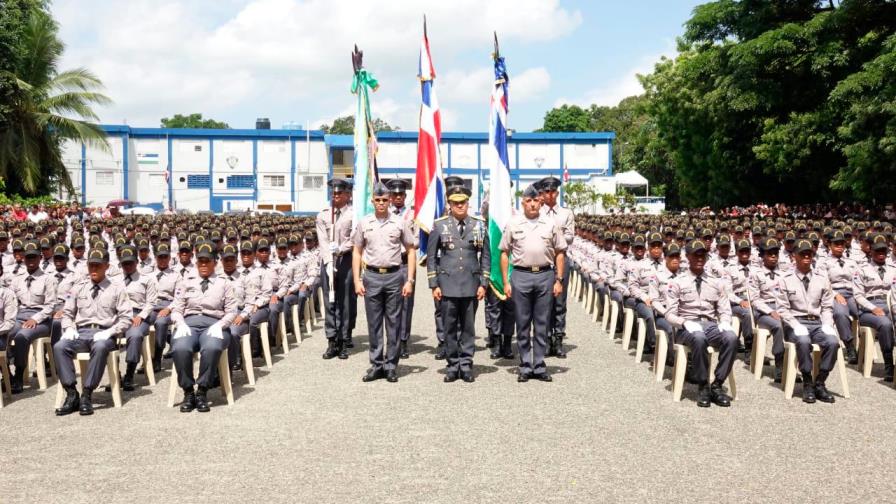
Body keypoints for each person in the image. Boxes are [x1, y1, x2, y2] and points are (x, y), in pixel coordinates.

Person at [499, 184, 567, 383]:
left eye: (536, 200)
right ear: (523, 203)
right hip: (521, 275)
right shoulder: (513, 223)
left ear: (541, 202)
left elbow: (560, 252)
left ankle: (539, 364)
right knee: (522, 322)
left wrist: (559, 279)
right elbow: (504, 252)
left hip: (545, 275)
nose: (532, 204)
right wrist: (506, 282)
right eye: (528, 201)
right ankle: (525, 365)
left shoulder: (551, 223)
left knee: (542, 322)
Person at [54, 247, 132, 416]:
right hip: (81, 332)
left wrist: (111, 331)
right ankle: (72, 393)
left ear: (107, 266)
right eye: (91, 265)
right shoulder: (77, 288)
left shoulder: (117, 288)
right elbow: (67, 313)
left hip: (105, 333)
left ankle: (87, 393)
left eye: (98, 265)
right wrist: (68, 328)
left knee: (101, 347)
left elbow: (126, 318)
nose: (94, 269)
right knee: (59, 347)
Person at [352, 182, 417, 382]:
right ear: (372, 201)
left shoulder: (399, 222)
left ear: (389, 201)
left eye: (384, 200)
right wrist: (356, 280)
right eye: (378, 200)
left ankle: (390, 366)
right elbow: (357, 251)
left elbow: (411, 250)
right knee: (374, 324)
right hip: (371, 277)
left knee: (394, 323)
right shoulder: (364, 223)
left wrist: (410, 280)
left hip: (394, 277)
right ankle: (376, 364)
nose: (381, 203)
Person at [426, 183, 490, 383]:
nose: (460, 206)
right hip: (447, 285)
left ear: (468, 203)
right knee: (450, 327)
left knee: (469, 328)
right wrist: (434, 284)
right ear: (450, 204)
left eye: (463, 202)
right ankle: (453, 365)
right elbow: (431, 257)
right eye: (456, 203)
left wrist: (484, 283)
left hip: (471, 284)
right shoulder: (439, 225)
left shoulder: (479, 224)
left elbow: (485, 256)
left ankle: (466, 364)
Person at [664, 239, 738, 408]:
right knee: (698, 338)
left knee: (732, 338)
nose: (699, 258)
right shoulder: (677, 282)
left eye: (702, 255)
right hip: (686, 328)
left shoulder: (716, 282)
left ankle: (717, 384)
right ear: (687, 257)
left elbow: (724, 309)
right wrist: (684, 322)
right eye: (695, 255)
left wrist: (725, 322)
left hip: (710, 325)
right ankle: (703, 385)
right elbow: (669, 314)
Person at [169, 241, 238, 412]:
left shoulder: (224, 283)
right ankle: (188, 391)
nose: (204, 265)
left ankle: (202, 391)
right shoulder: (186, 282)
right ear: (196, 262)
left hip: (214, 324)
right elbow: (176, 308)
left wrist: (221, 325)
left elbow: (232, 311)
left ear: (215, 262)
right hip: (189, 324)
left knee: (212, 347)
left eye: (208, 261)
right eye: (201, 261)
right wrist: (180, 323)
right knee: (180, 347)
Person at [778, 239, 838, 403]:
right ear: (794, 256)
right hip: (795, 324)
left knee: (833, 342)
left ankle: (820, 381)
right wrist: (795, 325)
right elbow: (782, 309)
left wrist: (827, 324)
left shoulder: (822, 279)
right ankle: (807, 382)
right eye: (802, 254)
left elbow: (827, 307)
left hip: (817, 323)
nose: (806, 257)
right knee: (803, 341)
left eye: (809, 254)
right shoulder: (785, 279)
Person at [8, 240, 57, 394]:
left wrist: (35, 319)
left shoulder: (48, 279)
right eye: (28, 257)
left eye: (34, 257)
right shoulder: (17, 279)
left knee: (22, 336)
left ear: (40, 258)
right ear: (23, 258)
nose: (30, 260)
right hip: (19, 316)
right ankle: (7, 373)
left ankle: (19, 374)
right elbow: (12, 302)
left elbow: (51, 305)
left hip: (41, 320)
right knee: (4, 333)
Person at [317, 178, 356, 360]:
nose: (336, 195)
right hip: (328, 262)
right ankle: (332, 340)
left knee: (345, 302)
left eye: (340, 192)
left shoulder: (354, 215)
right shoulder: (323, 215)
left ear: (347, 195)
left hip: (346, 260)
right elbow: (322, 240)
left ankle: (344, 340)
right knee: (329, 301)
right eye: (334, 192)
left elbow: (355, 238)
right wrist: (328, 262)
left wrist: (340, 249)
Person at [537, 176, 575, 358]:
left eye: (553, 191)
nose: (550, 194)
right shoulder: (537, 212)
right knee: (544, 303)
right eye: (546, 191)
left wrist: (551, 237)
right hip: (543, 260)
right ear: (542, 193)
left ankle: (558, 339)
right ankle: (545, 339)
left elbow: (570, 237)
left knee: (559, 302)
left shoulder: (566, 213)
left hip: (561, 259)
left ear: (557, 193)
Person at [853, 233, 896, 381]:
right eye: (878, 251)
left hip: (890, 304)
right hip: (869, 309)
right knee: (885, 323)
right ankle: (889, 365)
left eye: (884, 251)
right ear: (870, 251)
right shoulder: (862, 269)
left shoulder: (893, 268)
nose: (881, 254)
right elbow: (858, 296)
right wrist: (873, 308)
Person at [118, 245, 159, 391]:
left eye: (130, 263)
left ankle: (129, 374)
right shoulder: (115, 280)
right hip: (119, 315)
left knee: (134, 335)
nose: (128, 266)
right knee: (104, 337)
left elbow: (151, 302)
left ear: (136, 262)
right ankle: (115, 374)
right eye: (125, 263)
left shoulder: (146, 279)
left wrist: (140, 316)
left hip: (138, 315)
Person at [388, 178, 419, 359]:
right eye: (395, 194)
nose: (398, 197)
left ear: (405, 196)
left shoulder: (412, 215)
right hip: (390, 264)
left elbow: (417, 239)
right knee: (391, 304)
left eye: (401, 194)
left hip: (406, 261)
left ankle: (404, 340)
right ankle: (392, 339)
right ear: (390, 196)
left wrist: (407, 246)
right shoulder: (385, 214)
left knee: (406, 304)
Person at [819, 230, 860, 364]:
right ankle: (850, 346)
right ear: (829, 245)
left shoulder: (851, 262)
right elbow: (823, 283)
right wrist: (835, 294)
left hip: (852, 293)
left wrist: (859, 295)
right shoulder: (823, 262)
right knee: (840, 313)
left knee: (864, 312)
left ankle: (866, 345)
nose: (839, 246)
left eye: (842, 244)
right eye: (836, 244)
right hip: (834, 294)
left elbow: (858, 280)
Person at [749, 237, 787, 381]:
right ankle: (779, 364)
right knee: (779, 326)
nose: (773, 256)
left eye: (775, 253)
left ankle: (793, 364)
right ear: (762, 255)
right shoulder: (756, 274)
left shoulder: (784, 273)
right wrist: (770, 311)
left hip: (781, 308)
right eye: (769, 253)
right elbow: (755, 300)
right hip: (764, 312)